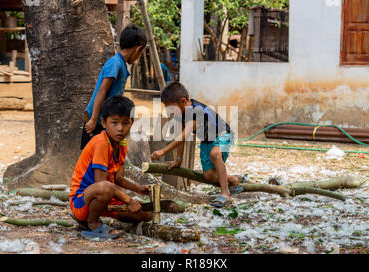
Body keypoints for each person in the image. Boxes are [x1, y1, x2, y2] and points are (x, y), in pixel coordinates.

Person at [150, 81, 244, 208]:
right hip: (207, 141)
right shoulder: (180, 116)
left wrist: (163, 151)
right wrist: (178, 160)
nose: (170, 111)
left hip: (223, 135)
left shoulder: (196, 111)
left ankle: (225, 193)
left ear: (183, 101)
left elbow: (183, 137)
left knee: (215, 154)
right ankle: (231, 179)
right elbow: (180, 138)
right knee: (209, 175)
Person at [70, 96, 152, 239]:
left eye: (125, 123)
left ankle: (98, 216)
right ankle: (91, 223)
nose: (120, 128)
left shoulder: (122, 144)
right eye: (114, 123)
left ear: (131, 123)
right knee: (106, 188)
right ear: (104, 122)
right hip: (81, 201)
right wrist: (128, 200)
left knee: (146, 214)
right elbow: (102, 184)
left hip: (103, 199)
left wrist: (137, 188)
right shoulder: (101, 142)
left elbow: (114, 177)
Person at [81, 24, 147, 149]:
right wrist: (94, 119)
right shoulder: (115, 63)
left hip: (107, 119)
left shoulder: (120, 64)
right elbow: (102, 90)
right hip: (98, 119)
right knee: (92, 156)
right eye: (140, 53)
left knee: (106, 154)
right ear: (138, 49)